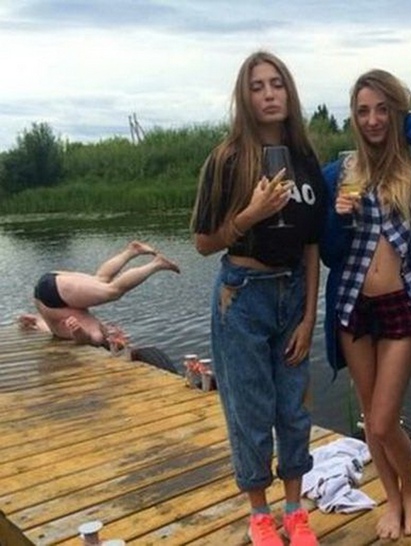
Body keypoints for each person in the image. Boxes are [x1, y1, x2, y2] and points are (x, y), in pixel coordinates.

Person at [191, 51, 325, 546]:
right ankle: (260, 515)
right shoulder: (228, 159)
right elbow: (203, 242)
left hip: (292, 295)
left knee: (293, 409)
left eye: (276, 84)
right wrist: (251, 214)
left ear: (289, 92)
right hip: (242, 296)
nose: (269, 94)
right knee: (249, 411)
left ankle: (295, 510)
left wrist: (309, 318)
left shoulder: (305, 159)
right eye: (257, 87)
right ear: (244, 98)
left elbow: (312, 246)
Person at [320, 69, 411, 540]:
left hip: (404, 304)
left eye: (382, 110)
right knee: (370, 416)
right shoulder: (339, 174)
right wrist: (338, 219)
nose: (373, 120)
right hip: (353, 307)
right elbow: (330, 253)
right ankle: (392, 499)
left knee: (381, 418)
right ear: (353, 118)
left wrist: (405, 118)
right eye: (363, 111)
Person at [18, 240, 179, 349]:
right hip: (47, 292)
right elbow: (45, 325)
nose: (117, 331)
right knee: (100, 280)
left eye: (117, 337)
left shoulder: (98, 336)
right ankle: (133, 251)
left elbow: (86, 340)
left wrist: (78, 331)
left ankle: (156, 264)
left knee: (112, 292)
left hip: (52, 293)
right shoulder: (55, 328)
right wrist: (34, 320)